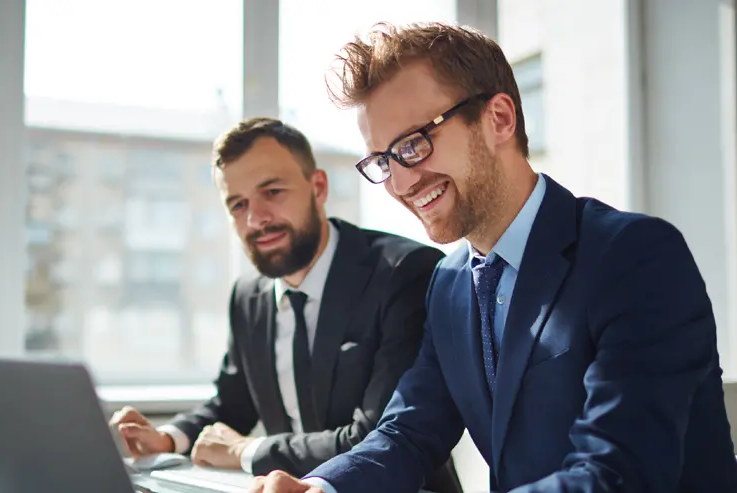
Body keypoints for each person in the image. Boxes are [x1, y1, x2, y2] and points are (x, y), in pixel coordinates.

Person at [249, 21, 737, 493]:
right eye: (383, 161)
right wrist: (320, 487)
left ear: (499, 118)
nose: (399, 184)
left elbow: (618, 471)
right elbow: (410, 431)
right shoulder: (450, 283)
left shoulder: (635, 255)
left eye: (413, 145)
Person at [110, 117, 462, 492]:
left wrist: (250, 451)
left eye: (272, 192)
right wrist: (167, 438)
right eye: (238, 205)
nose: (255, 219)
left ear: (319, 187)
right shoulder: (248, 295)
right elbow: (232, 404)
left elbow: (378, 437)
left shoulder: (403, 273)